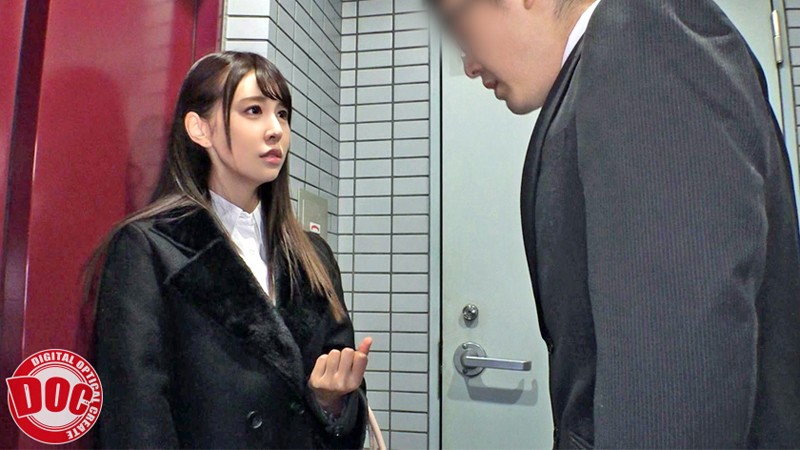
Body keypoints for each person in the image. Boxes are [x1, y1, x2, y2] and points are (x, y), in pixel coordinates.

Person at [430, 0, 800, 447]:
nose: (468, 65)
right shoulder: (601, 68)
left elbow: (677, 378)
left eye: (459, 24)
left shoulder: (642, 35)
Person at [83, 51, 370, 449]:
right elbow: (136, 419)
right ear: (199, 128)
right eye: (254, 111)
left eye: (283, 114)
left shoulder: (313, 256)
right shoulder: (149, 248)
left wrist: (331, 403)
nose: (276, 130)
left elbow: (347, 400)